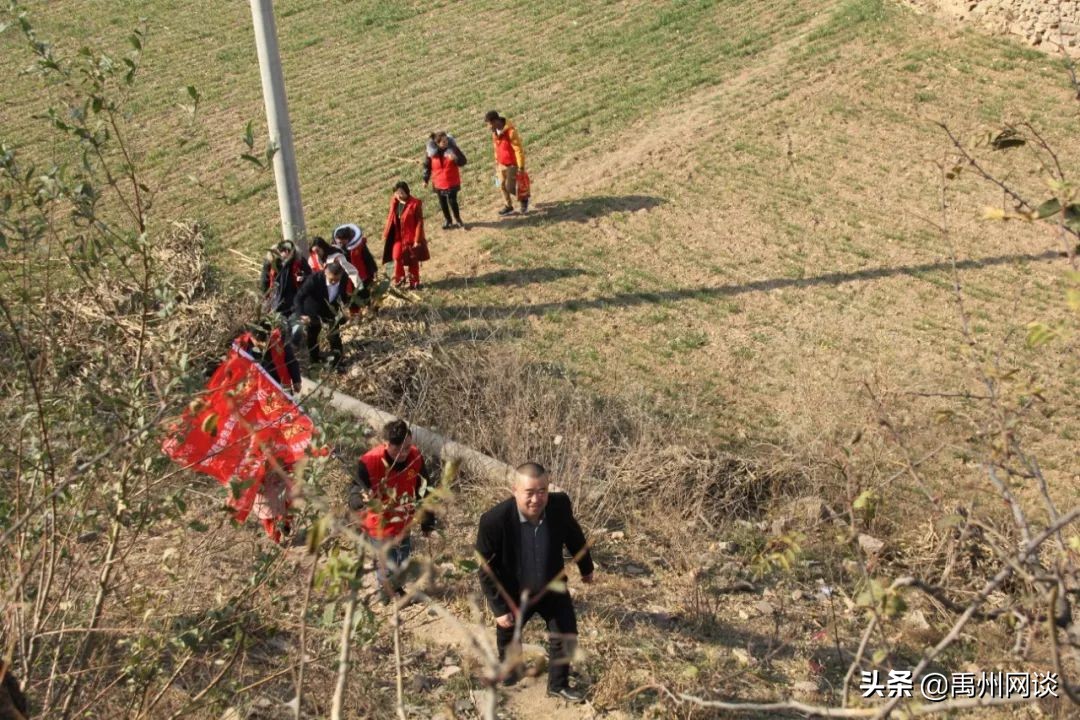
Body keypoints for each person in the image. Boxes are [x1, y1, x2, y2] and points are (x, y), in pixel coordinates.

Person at [475, 462, 594, 703]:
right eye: (529, 492)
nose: (536, 499)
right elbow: (486, 569)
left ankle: (558, 685)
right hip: (515, 590)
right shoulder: (494, 521)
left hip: (552, 586)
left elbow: (574, 535)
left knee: (566, 632)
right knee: (509, 631)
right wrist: (499, 609)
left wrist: (586, 568)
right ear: (515, 490)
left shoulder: (559, 505)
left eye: (542, 491)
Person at [348, 420, 435, 601]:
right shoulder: (369, 462)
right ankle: (387, 592)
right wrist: (361, 500)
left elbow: (425, 489)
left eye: (407, 447)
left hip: (404, 519)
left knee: (402, 556)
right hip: (379, 523)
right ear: (386, 444)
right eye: (398, 449)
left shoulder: (415, 456)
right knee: (386, 561)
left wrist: (428, 521)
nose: (404, 453)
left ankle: (395, 587)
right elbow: (353, 494)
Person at [290, 262, 350, 366]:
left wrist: (346, 308)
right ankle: (315, 360)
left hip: (331, 311)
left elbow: (343, 294)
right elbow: (298, 298)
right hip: (313, 311)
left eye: (337, 280)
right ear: (326, 272)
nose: (334, 282)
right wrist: (301, 314)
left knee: (334, 336)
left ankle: (337, 361)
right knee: (313, 336)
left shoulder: (344, 278)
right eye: (331, 279)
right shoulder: (314, 280)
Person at [381, 181, 429, 289]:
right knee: (397, 258)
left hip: (411, 238)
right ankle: (399, 280)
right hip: (398, 238)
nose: (399, 195)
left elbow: (419, 223)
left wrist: (417, 239)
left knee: (413, 261)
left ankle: (414, 282)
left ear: (406, 191)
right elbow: (391, 218)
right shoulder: (395, 203)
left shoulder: (415, 203)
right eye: (397, 193)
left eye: (401, 192)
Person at [236, 321, 302, 394]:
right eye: (256, 339)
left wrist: (296, 380)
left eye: (261, 342)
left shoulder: (279, 342)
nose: (259, 345)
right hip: (251, 381)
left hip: (274, 381)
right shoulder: (244, 342)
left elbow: (291, 360)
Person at [484, 110, 528, 216]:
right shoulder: (494, 133)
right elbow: (496, 148)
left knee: (510, 187)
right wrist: (496, 162)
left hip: (512, 164)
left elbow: (518, 149)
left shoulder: (510, 132)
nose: (488, 127)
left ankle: (524, 200)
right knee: (501, 185)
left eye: (489, 124)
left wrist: (521, 165)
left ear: (495, 121)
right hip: (501, 164)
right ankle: (508, 206)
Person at [423, 131, 468, 229]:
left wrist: (455, 158)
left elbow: (463, 161)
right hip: (438, 182)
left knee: (453, 202)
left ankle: (458, 219)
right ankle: (448, 220)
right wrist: (425, 180)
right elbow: (427, 166)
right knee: (442, 203)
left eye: (446, 140)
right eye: (443, 142)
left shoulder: (453, 149)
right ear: (437, 143)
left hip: (451, 181)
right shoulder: (431, 154)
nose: (446, 142)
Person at [261, 240, 311, 316]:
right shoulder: (270, 264)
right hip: (277, 298)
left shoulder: (298, 260)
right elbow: (265, 282)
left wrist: (303, 278)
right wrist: (266, 298)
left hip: (295, 297)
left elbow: (309, 276)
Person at [332, 223, 378, 302]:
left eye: (342, 242)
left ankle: (370, 308)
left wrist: (373, 270)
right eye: (339, 242)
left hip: (362, 275)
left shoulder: (359, 246)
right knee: (352, 298)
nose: (340, 244)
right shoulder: (336, 249)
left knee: (365, 294)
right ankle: (355, 312)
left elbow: (368, 259)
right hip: (347, 277)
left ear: (347, 239)